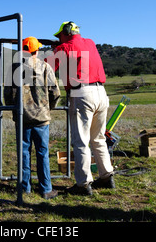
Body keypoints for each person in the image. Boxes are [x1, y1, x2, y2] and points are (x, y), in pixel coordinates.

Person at [45, 21, 115, 196]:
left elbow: (47, 67)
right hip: (101, 93)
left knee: (81, 141)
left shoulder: (64, 48)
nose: (58, 38)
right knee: (98, 138)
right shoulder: (90, 42)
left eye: (60, 35)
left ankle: (83, 184)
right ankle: (106, 176)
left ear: (66, 33)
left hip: (82, 93)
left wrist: (52, 50)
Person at [4, 36, 61, 199]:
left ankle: (25, 188)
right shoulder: (45, 67)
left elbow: (8, 93)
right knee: (43, 153)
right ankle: (45, 189)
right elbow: (55, 93)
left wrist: (12, 108)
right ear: (37, 50)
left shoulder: (14, 68)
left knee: (24, 153)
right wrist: (49, 108)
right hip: (42, 117)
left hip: (22, 116)